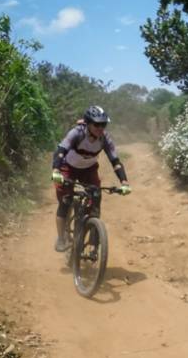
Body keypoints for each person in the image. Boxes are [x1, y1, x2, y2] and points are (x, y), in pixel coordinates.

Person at [51, 105, 131, 252]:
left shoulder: (105, 138)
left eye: (104, 124)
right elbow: (61, 151)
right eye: (97, 124)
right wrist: (56, 171)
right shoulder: (77, 133)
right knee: (65, 201)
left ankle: (94, 240)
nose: (100, 128)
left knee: (95, 199)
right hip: (67, 168)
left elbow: (115, 161)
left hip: (88, 170)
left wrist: (124, 182)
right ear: (88, 123)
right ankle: (61, 238)